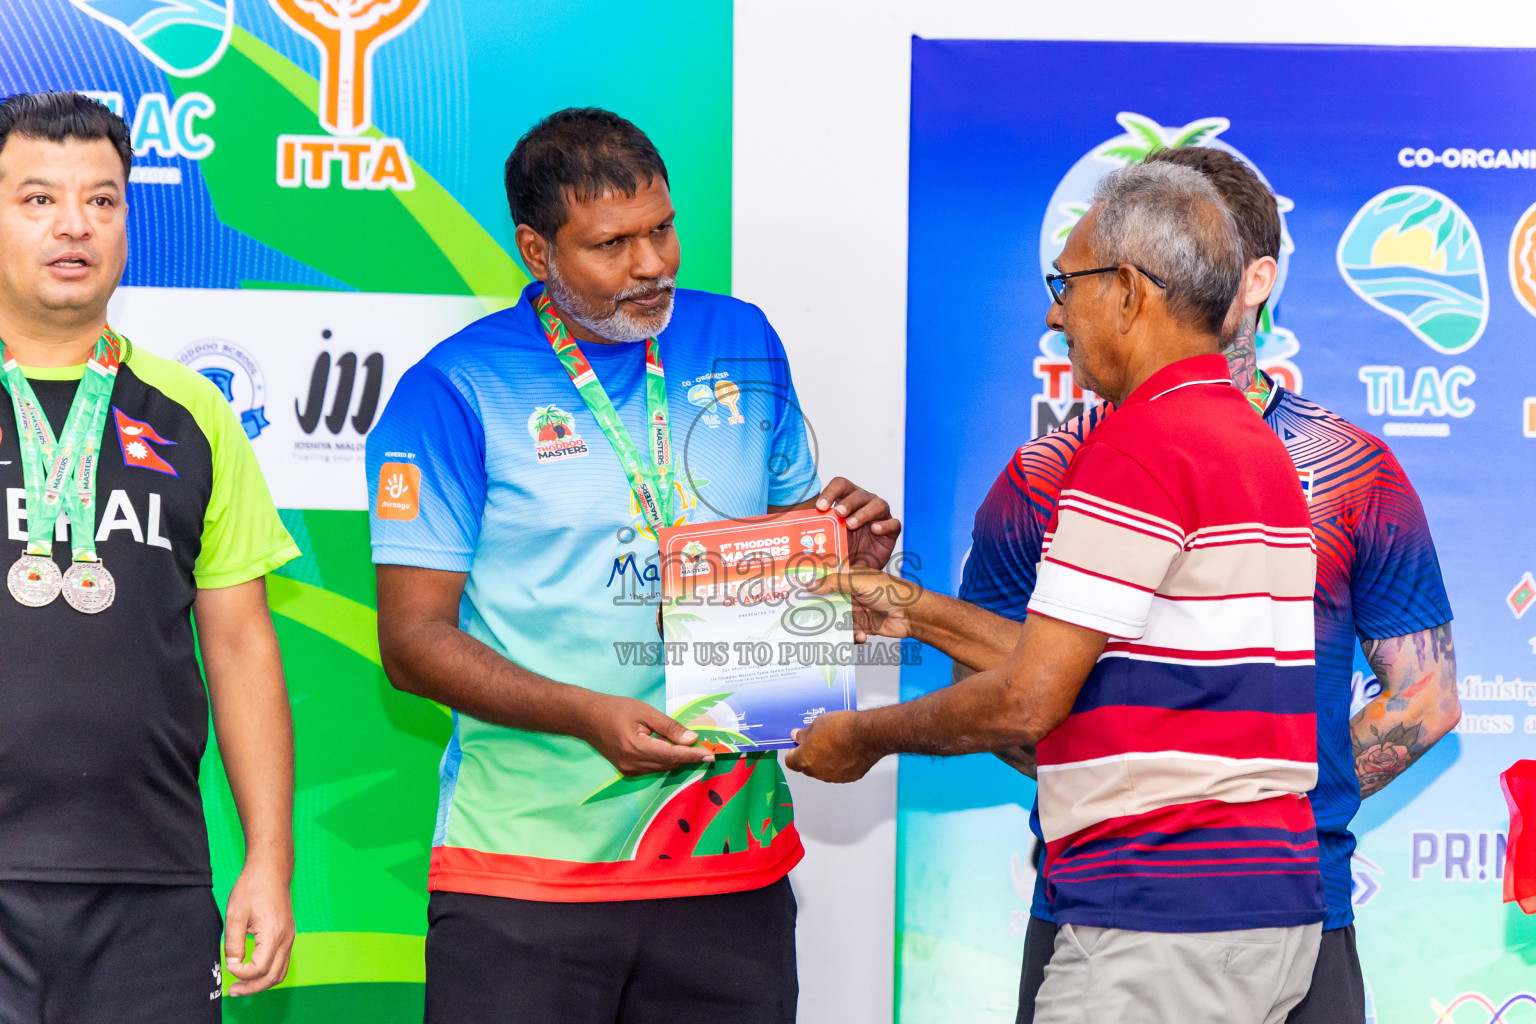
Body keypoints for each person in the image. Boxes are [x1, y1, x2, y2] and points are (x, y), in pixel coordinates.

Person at [367, 107, 898, 1023]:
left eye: (661, 228)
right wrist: (585, 713)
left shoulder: (740, 337)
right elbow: (412, 642)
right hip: (526, 876)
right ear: (537, 251)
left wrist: (843, 559)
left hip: (731, 863)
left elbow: (785, 573)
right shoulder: (454, 388)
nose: (652, 265)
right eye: (611, 244)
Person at [788, 161, 1326, 1023]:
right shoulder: (1244, 437)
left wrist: (861, 737)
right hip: (1260, 909)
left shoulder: (1137, 446)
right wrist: (907, 607)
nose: (1052, 312)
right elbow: (1093, 663)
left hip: (1156, 913)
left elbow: (1029, 700)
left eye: (1065, 283)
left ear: (1127, 291)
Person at [957, 145, 1461, 1024]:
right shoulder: (1046, 473)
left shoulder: (1353, 471)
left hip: (1302, 907)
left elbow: (1426, 697)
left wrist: (1261, 808)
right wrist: (1156, 804)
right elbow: (988, 688)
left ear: (1252, 277)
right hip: (1101, 905)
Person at [0, 92, 299, 1020]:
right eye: (37, 199)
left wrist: (269, 861)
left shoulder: (191, 412)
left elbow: (242, 647)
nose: (73, 226)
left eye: (102, 200)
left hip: (151, 887)